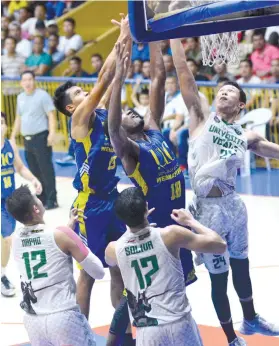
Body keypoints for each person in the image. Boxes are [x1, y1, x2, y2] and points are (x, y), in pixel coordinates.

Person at [170, 38, 279, 346]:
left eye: (230, 91)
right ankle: (231, 338)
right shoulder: (201, 118)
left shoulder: (246, 134)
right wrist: (173, 36)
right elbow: (183, 73)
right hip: (206, 211)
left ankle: (252, 318)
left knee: (242, 266)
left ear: (241, 104)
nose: (223, 92)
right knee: (219, 279)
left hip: (233, 206)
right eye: (220, 90)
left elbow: (273, 151)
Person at [107, 41, 196, 346]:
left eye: (134, 110)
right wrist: (118, 76)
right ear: (122, 129)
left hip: (177, 224)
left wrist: (157, 35)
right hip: (154, 232)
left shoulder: (154, 129)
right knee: (145, 295)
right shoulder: (130, 152)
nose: (133, 111)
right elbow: (113, 128)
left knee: (168, 292)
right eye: (126, 114)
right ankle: (117, 337)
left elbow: (157, 77)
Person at [53, 16, 133, 344]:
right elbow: (103, 80)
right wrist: (123, 36)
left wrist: (125, 38)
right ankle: (79, 337)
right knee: (87, 276)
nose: (86, 91)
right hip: (90, 204)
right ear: (72, 106)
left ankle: (123, 332)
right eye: (79, 92)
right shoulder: (80, 123)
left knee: (119, 267)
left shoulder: (101, 113)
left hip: (114, 198)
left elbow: (108, 76)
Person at [105, 187, 227, 346]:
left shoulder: (113, 249)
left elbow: (114, 272)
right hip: (179, 324)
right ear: (147, 207)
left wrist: (134, 226)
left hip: (148, 331)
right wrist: (190, 221)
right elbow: (219, 245)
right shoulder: (171, 235)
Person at [6, 185, 104, 345]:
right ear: (35, 209)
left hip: (33, 320)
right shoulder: (61, 235)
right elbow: (98, 271)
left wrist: (68, 228)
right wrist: (74, 238)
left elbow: (42, 242)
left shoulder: (13, 239)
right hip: (62, 317)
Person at [1, 112, 42, 297]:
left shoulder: (10, 145)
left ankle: (2, 274)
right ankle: (9, 276)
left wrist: (33, 178)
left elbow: (19, 167)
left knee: (7, 242)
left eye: (2, 122)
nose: (0, 126)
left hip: (9, 201)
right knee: (7, 239)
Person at [11, 71, 58, 210]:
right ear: (21, 83)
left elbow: (51, 115)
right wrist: (13, 135)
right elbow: (19, 117)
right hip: (27, 140)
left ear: (34, 80)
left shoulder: (42, 95)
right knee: (33, 169)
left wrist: (52, 133)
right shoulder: (20, 97)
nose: (27, 82)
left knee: (46, 169)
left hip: (41, 137)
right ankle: (41, 198)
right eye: (24, 80)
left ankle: (52, 199)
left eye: (30, 79)